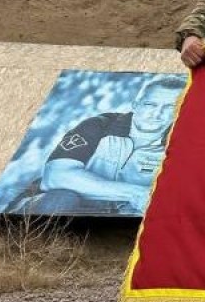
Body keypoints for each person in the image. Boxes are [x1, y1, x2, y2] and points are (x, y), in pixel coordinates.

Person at [11, 76, 186, 215]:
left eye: (170, 107)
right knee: (62, 198)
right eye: (150, 104)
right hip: (48, 206)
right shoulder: (99, 125)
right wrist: (137, 193)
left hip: (117, 218)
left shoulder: (182, 147)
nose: (157, 113)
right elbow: (55, 177)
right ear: (136, 106)